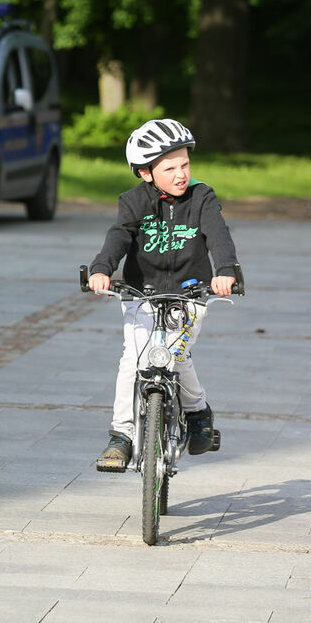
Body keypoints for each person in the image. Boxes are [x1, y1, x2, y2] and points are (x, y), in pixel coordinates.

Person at [85, 118, 240, 472]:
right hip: (142, 295)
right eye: (169, 168)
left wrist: (226, 272)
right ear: (145, 173)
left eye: (185, 164)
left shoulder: (202, 197)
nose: (181, 173)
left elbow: (218, 235)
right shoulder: (133, 202)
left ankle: (197, 410)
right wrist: (101, 269)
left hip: (190, 293)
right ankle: (121, 436)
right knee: (133, 360)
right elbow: (119, 236)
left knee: (176, 355)